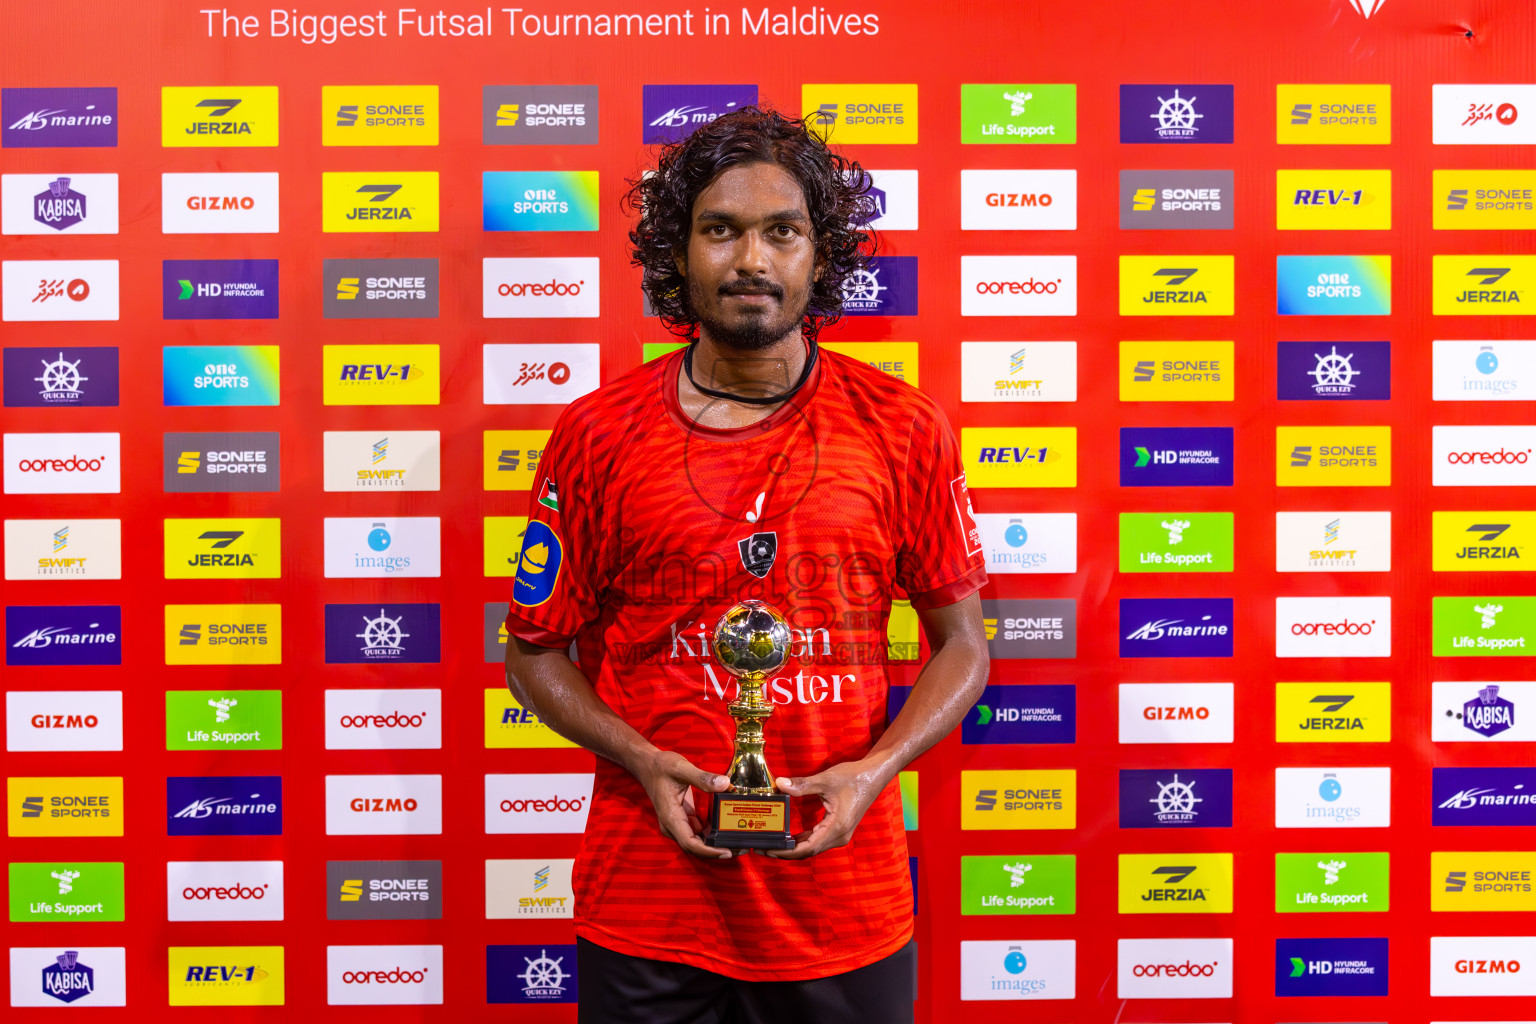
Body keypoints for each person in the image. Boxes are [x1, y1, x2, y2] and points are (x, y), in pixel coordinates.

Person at [502, 105, 989, 1024]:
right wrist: (645, 761)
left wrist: (874, 770)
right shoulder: (596, 433)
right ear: (678, 253)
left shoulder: (903, 426)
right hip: (648, 907)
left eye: (782, 231)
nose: (750, 260)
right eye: (719, 230)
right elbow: (532, 652)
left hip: (844, 910)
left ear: (821, 253)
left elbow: (963, 646)